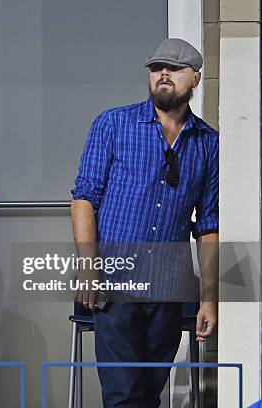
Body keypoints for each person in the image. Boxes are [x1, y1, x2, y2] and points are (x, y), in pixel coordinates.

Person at [71, 38, 219, 407]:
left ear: (195, 79)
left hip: (168, 285)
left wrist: (210, 298)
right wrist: (88, 267)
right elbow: (84, 198)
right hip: (115, 278)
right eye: (157, 68)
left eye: (174, 68)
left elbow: (208, 224)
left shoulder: (208, 143)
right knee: (123, 394)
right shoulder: (114, 124)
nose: (164, 74)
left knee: (150, 394)